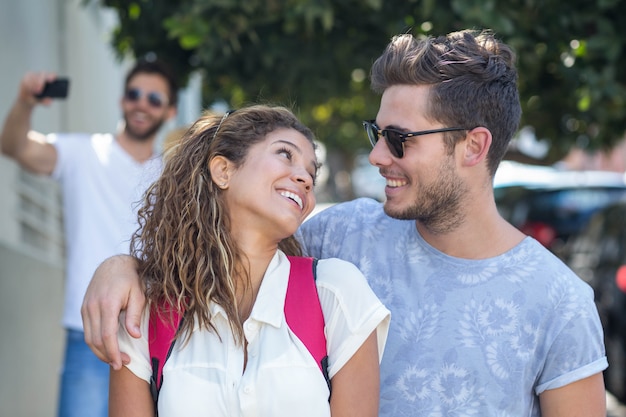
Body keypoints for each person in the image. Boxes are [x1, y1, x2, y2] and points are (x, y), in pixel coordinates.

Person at [81, 29, 608, 416]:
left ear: (473, 145)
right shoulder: (340, 237)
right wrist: (122, 266)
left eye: (399, 139)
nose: (377, 156)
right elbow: (218, 253)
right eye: (374, 133)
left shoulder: (559, 303)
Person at [109, 105, 390, 416]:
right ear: (223, 171)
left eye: (312, 173)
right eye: (285, 154)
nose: (306, 179)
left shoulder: (335, 293)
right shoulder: (146, 312)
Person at [0, 58, 178, 417]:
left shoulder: (173, 174)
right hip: (88, 331)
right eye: (134, 94)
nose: (142, 103)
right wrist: (25, 102)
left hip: (152, 329)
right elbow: (14, 147)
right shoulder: (82, 152)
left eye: (154, 99)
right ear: (122, 99)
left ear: (170, 111)